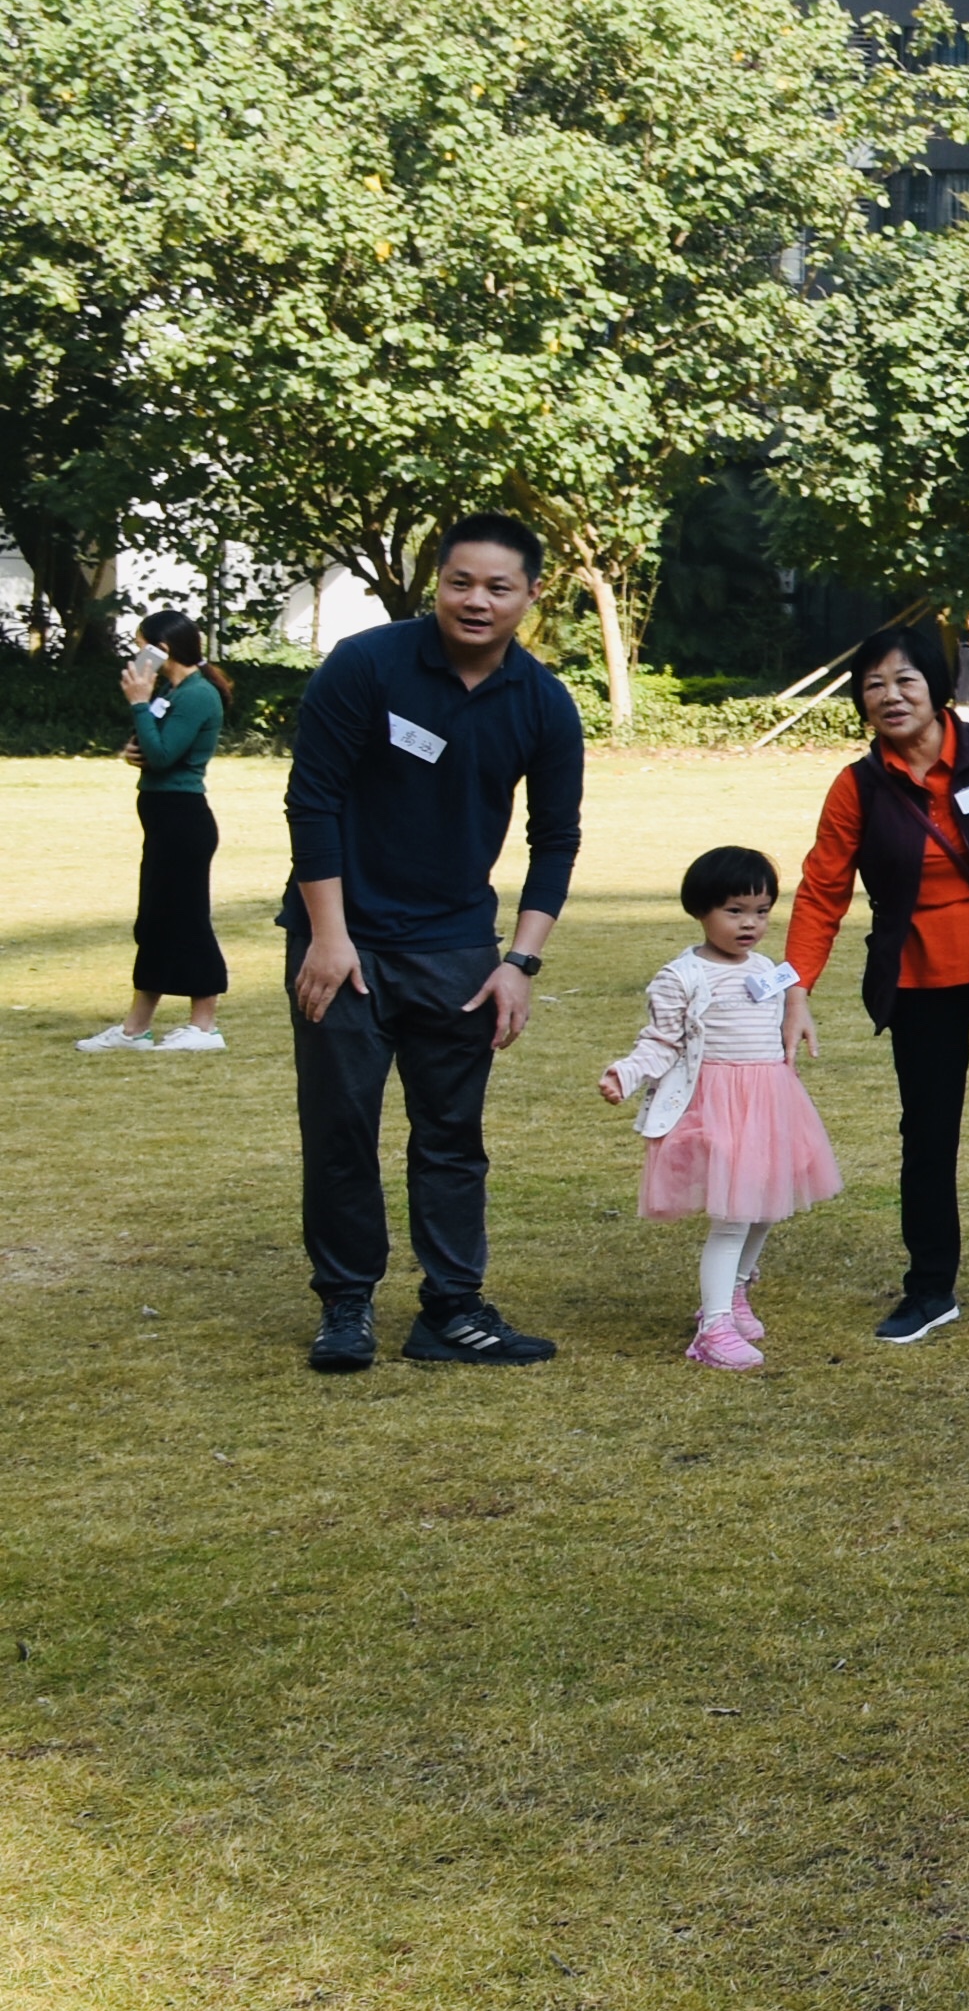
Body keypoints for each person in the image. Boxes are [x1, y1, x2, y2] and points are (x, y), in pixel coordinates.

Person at [283, 513, 588, 1373]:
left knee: (451, 1136)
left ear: (531, 595)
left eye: (498, 587)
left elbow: (555, 840)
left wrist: (519, 961)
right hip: (344, 943)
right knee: (340, 1128)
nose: (477, 600)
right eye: (461, 582)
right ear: (438, 585)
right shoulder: (367, 666)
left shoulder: (542, 702)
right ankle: (345, 1307)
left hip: (458, 949)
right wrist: (329, 937)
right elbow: (313, 800)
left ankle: (452, 1309)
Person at [787, 619, 969, 1344]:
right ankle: (929, 1289)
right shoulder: (858, 788)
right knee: (926, 1136)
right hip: (918, 981)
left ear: (937, 689)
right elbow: (822, 890)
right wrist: (795, 987)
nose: (890, 696)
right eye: (874, 685)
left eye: (905, 680)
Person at [598, 845, 841, 1373]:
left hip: (771, 1102)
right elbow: (661, 1041)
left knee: (765, 1207)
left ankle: (733, 1293)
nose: (750, 923)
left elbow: (781, 1022)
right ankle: (713, 1327)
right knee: (733, 1216)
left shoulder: (771, 970)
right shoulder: (682, 976)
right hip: (718, 1104)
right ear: (701, 910)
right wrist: (627, 1071)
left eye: (761, 911)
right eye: (735, 911)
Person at [87, 610, 231, 1053]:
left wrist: (137, 701)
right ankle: (136, 1029)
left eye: (141, 645)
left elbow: (165, 755)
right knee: (155, 921)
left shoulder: (198, 695)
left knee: (185, 919)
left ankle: (204, 1027)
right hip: (164, 818)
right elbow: (150, 745)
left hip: (183, 819)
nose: (136, 654)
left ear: (162, 649)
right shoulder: (172, 690)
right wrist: (136, 745)